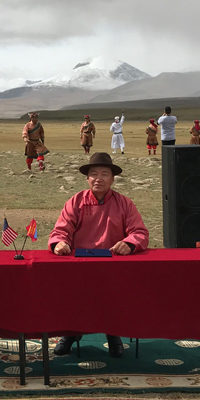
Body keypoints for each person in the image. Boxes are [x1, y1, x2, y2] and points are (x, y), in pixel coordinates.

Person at [49, 152, 149, 358]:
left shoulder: (124, 204)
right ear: (87, 178)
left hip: (113, 264)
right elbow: (61, 230)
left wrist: (129, 244)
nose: (98, 178)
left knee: (114, 293)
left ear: (112, 179)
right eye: (93, 174)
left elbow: (139, 233)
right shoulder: (75, 202)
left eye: (104, 174)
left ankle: (113, 333)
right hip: (80, 263)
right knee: (73, 294)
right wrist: (60, 243)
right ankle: (71, 332)